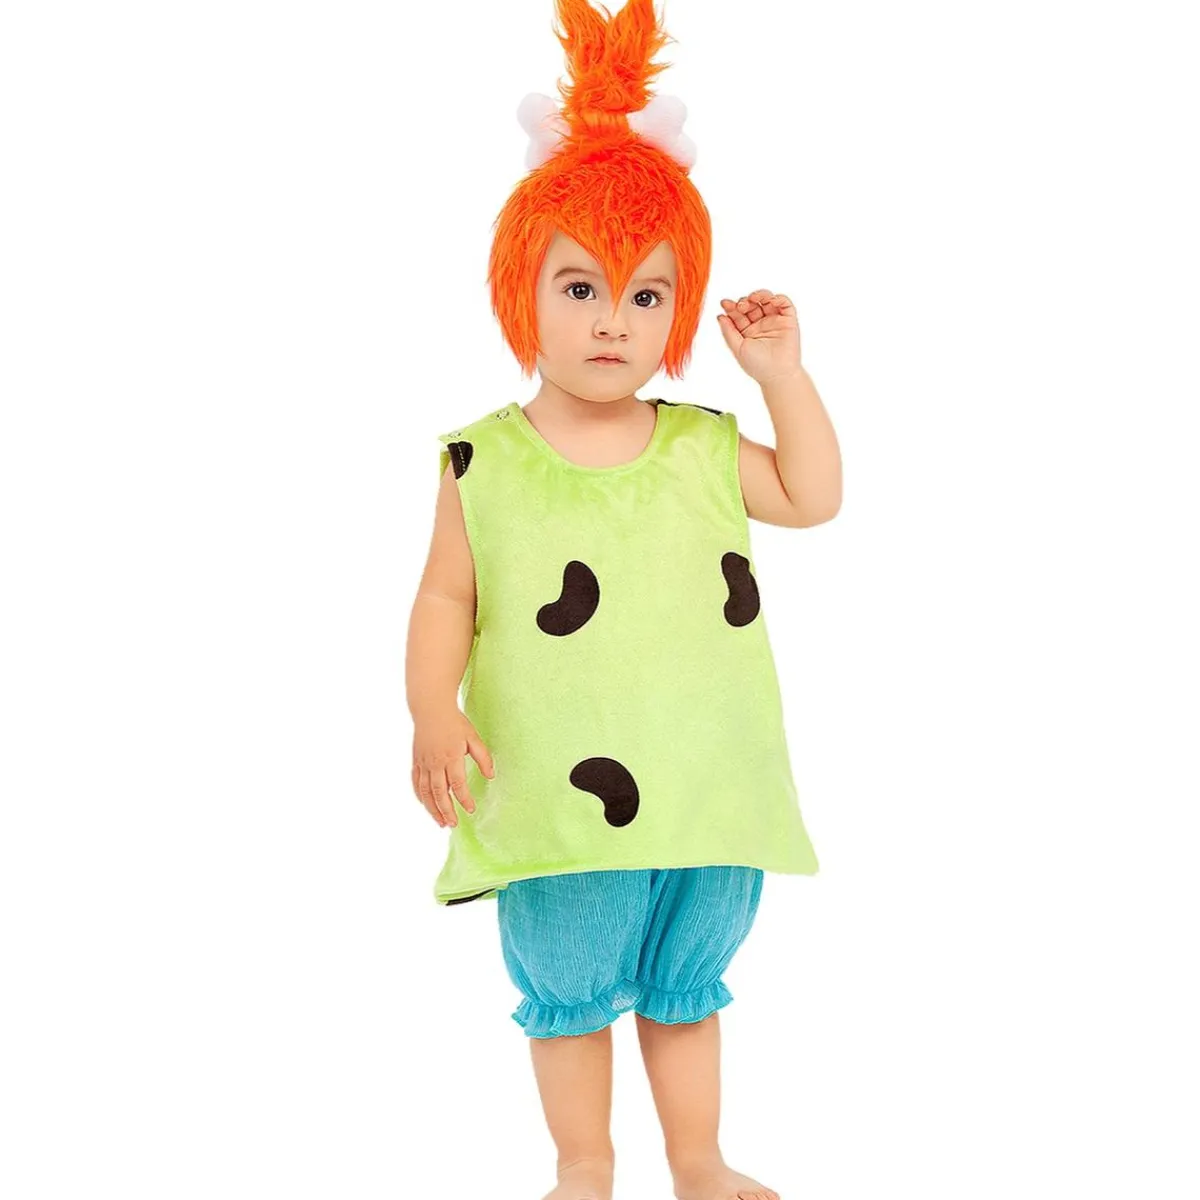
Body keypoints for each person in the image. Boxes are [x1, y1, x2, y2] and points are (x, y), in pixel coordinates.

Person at [405, 2, 842, 1197]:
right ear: (522, 291)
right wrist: (432, 709)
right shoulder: (485, 462)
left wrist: (783, 379)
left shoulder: (703, 446)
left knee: (688, 989)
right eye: (581, 285)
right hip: (557, 787)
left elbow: (812, 496)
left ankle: (698, 1160)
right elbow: (444, 597)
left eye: (648, 297)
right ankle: (584, 1164)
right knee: (570, 991)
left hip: (705, 785)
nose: (613, 320)